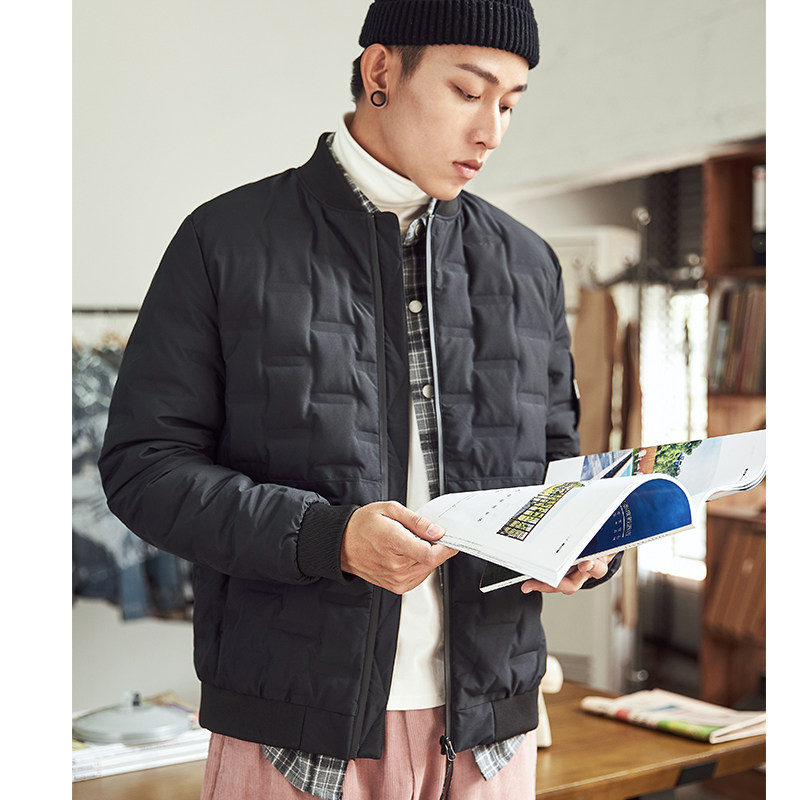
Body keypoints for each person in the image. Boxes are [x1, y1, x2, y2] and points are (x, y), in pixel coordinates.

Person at [99, 1, 621, 798]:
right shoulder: (226, 241)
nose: (491, 132)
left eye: (511, 104)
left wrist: (582, 537)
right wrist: (331, 538)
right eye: (468, 92)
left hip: (490, 737)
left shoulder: (527, 263)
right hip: (294, 734)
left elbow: (552, 456)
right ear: (381, 70)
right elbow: (146, 470)